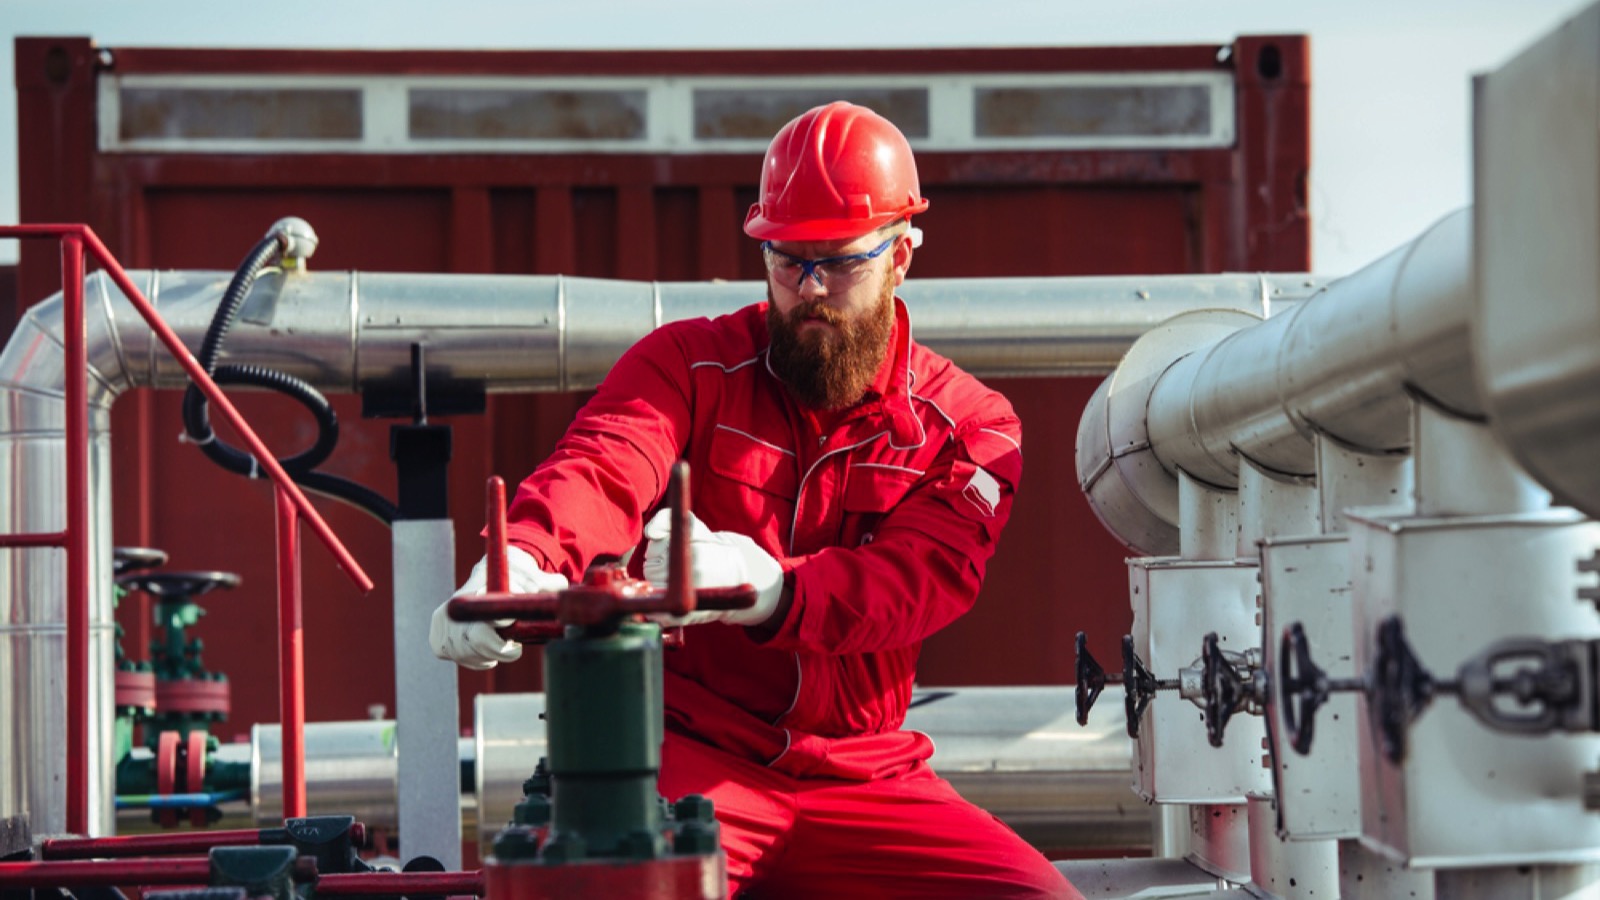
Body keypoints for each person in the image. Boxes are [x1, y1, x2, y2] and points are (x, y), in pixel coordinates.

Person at [431, 100, 1079, 899]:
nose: (810, 291)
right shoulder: (688, 366)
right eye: (785, 261)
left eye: (839, 263)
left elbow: (924, 579)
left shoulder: (968, 427)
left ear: (902, 257)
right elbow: (603, 464)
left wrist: (777, 590)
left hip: (862, 775)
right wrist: (524, 557)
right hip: (694, 752)